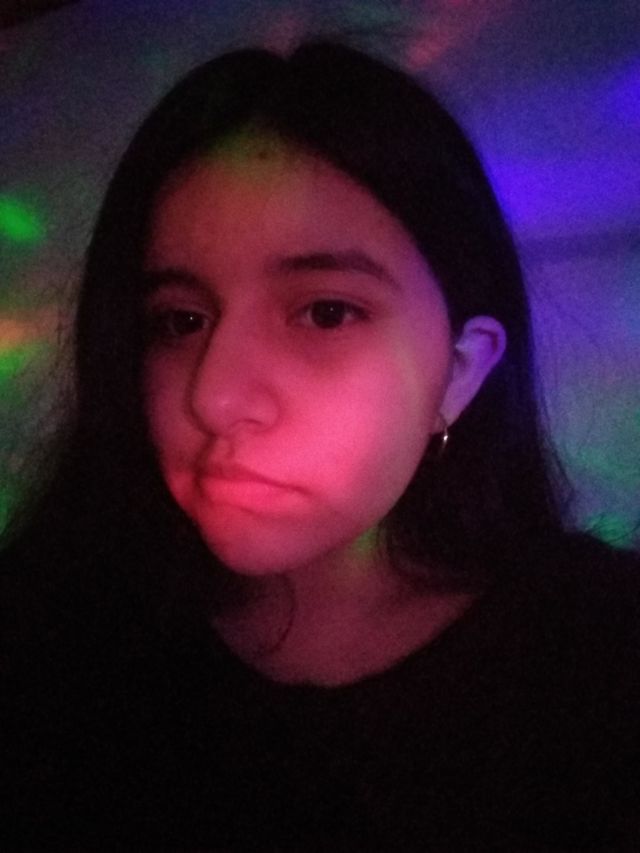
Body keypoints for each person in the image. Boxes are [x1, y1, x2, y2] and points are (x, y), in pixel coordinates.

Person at [1, 39, 639, 851]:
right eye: (179, 321)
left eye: (326, 312)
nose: (214, 397)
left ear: (458, 372)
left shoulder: (603, 658)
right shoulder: (49, 643)